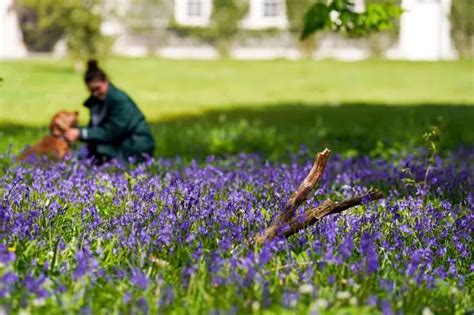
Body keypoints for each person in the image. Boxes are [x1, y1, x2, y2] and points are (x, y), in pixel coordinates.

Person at [65, 60, 155, 163]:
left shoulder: (119, 100)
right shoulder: (98, 102)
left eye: (98, 88)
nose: (95, 94)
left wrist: (81, 133)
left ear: (106, 81)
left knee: (90, 156)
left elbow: (111, 132)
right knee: (80, 155)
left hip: (135, 145)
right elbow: (95, 129)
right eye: (91, 91)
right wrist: (75, 132)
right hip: (118, 142)